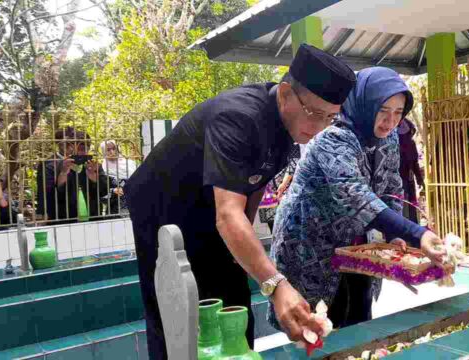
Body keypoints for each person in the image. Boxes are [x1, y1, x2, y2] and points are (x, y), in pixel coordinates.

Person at [124, 44, 357, 359]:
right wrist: (276, 283)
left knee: (234, 296)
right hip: (163, 208)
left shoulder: (289, 127)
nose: (318, 128)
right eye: (315, 113)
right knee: (176, 309)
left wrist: (250, 249)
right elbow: (227, 214)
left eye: (330, 118)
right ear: (286, 93)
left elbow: (254, 182)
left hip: (214, 209)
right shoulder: (238, 116)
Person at [268, 67, 445, 330]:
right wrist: (416, 234)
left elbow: (391, 185)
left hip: (358, 247)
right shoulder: (333, 139)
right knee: (320, 325)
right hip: (311, 245)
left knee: (360, 322)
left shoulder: (388, 138)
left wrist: (392, 234)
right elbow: (355, 195)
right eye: (382, 110)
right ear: (365, 103)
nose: (390, 121)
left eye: (398, 113)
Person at [36, 127, 111, 224]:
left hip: (93, 219)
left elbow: (103, 191)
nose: (83, 151)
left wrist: (94, 179)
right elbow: (47, 195)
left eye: (86, 147)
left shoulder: (92, 166)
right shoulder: (51, 165)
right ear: (67, 146)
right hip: (63, 220)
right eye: (79, 147)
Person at [398, 118, 424, 223]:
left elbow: (414, 163)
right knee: (401, 203)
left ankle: (410, 225)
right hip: (399, 178)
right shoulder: (393, 142)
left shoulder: (410, 144)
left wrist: (419, 179)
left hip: (407, 177)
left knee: (409, 203)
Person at [100, 140, 137, 215]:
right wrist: (113, 191)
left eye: (114, 148)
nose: (112, 151)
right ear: (104, 152)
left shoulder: (129, 163)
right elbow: (101, 193)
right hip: (114, 209)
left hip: (133, 204)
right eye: (108, 150)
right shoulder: (102, 169)